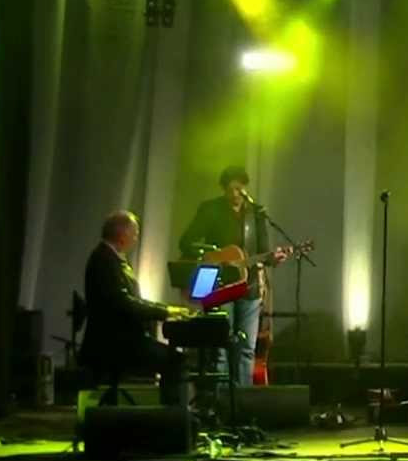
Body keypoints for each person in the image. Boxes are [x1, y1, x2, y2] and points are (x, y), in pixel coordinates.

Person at [178, 166, 286, 385]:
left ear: (245, 188)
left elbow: (263, 251)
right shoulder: (210, 209)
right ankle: (221, 397)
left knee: (246, 348)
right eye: (230, 190)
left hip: (249, 285)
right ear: (223, 189)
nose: (235, 194)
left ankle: (242, 398)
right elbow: (186, 242)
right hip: (220, 285)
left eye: (239, 189)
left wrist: (273, 258)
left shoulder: (256, 213)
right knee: (221, 347)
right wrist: (213, 254)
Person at [80, 211, 190, 405]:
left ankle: (171, 414)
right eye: (135, 233)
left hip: (121, 338)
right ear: (122, 235)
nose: (136, 239)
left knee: (173, 358)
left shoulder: (110, 258)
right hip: (114, 342)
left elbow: (132, 300)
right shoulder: (104, 261)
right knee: (176, 361)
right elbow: (123, 303)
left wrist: (166, 309)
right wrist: (165, 312)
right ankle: (173, 416)